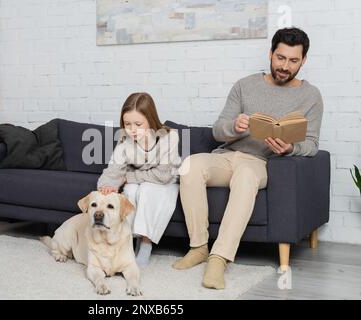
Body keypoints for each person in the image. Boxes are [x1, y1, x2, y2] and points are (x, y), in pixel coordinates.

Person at [172, 27, 324, 289]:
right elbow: (218, 130)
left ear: (304, 60)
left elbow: (312, 145)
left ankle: (219, 258)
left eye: (293, 61)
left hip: (261, 163)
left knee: (245, 176)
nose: (285, 66)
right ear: (270, 54)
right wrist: (235, 125)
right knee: (189, 165)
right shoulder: (245, 85)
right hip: (227, 156)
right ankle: (198, 247)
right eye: (280, 58)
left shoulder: (311, 96)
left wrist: (290, 149)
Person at [97, 92, 182, 266]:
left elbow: (162, 176)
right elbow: (113, 170)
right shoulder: (124, 140)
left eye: (138, 124)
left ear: (150, 119)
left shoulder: (170, 137)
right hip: (139, 181)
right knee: (131, 190)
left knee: (146, 189)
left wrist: (127, 177)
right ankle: (128, 241)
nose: (132, 130)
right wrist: (106, 186)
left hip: (165, 182)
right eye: (127, 124)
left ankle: (145, 244)